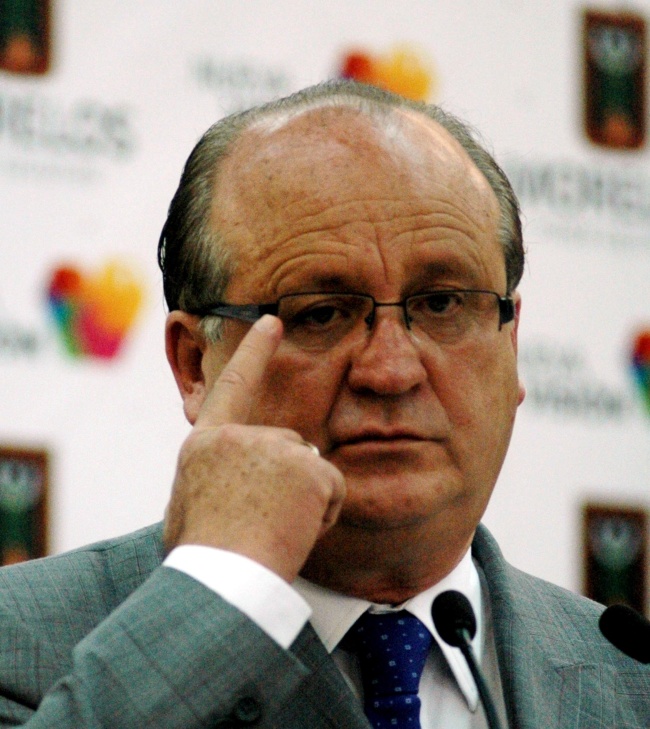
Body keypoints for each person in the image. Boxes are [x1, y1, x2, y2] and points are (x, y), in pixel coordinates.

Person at [0, 80, 647, 729]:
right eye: (321, 314)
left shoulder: (631, 678)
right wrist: (220, 592)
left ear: (512, 341)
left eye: (442, 303)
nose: (391, 371)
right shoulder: (18, 645)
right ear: (196, 365)